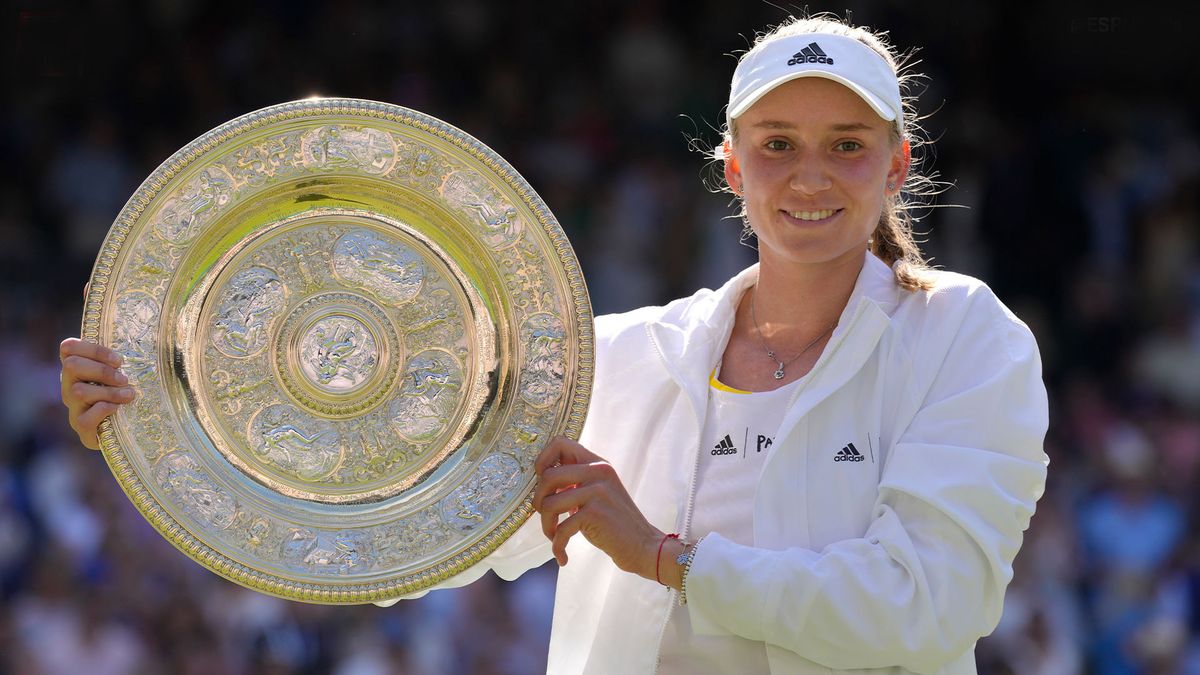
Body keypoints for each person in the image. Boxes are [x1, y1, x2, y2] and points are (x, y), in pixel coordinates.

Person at [60, 14, 1049, 674]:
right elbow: (424, 532)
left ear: (897, 164)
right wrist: (162, 426)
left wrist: (666, 558)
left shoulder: (965, 338)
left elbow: (932, 601)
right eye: (779, 144)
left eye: (848, 144)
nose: (811, 176)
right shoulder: (616, 354)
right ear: (733, 166)